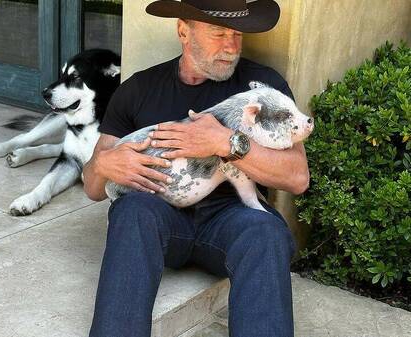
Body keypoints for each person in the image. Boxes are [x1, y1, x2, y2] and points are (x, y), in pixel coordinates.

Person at [83, 0, 310, 336]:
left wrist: (225, 144)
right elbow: (92, 186)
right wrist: (103, 163)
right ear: (183, 32)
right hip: (159, 216)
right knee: (131, 211)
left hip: (233, 220)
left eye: (236, 34)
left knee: (267, 231)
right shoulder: (138, 89)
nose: (231, 46)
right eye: (218, 34)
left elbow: (297, 176)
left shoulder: (263, 88)